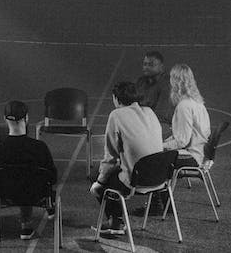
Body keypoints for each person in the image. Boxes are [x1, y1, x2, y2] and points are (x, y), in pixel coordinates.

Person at [134, 63, 211, 217]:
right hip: (201, 153)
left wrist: (160, 146)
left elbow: (182, 141)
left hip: (192, 156)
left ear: (175, 82)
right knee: (160, 155)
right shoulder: (198, 102)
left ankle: (157, 205)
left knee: (154, 160)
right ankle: (165, 205)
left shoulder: (184, 106)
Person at [90, 81, 162, 238]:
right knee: (114, 172)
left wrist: (99, 182)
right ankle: (116, 220)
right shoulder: (149, 111)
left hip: (136, 180)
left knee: (97, 175)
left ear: (116, 98)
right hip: (160, 178)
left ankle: (115, 222)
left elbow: (110, 158)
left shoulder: (116, 115)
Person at [0, 100, 57, 240]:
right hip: (36, 194)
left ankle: (24, 226)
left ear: (4, 119)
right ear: (27, 118)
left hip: (5, 194)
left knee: (18, 181)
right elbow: (53, 177)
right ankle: (27, 225)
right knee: (28, 182)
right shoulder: (39, 147)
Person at [135, 51, 173, 139]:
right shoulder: (140, 81)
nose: (146, 67)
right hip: (143, 123)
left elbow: (161, 114)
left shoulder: (167, 84)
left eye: (151, 65)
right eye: (145, 64)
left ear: (161, 67)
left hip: (161, 125)